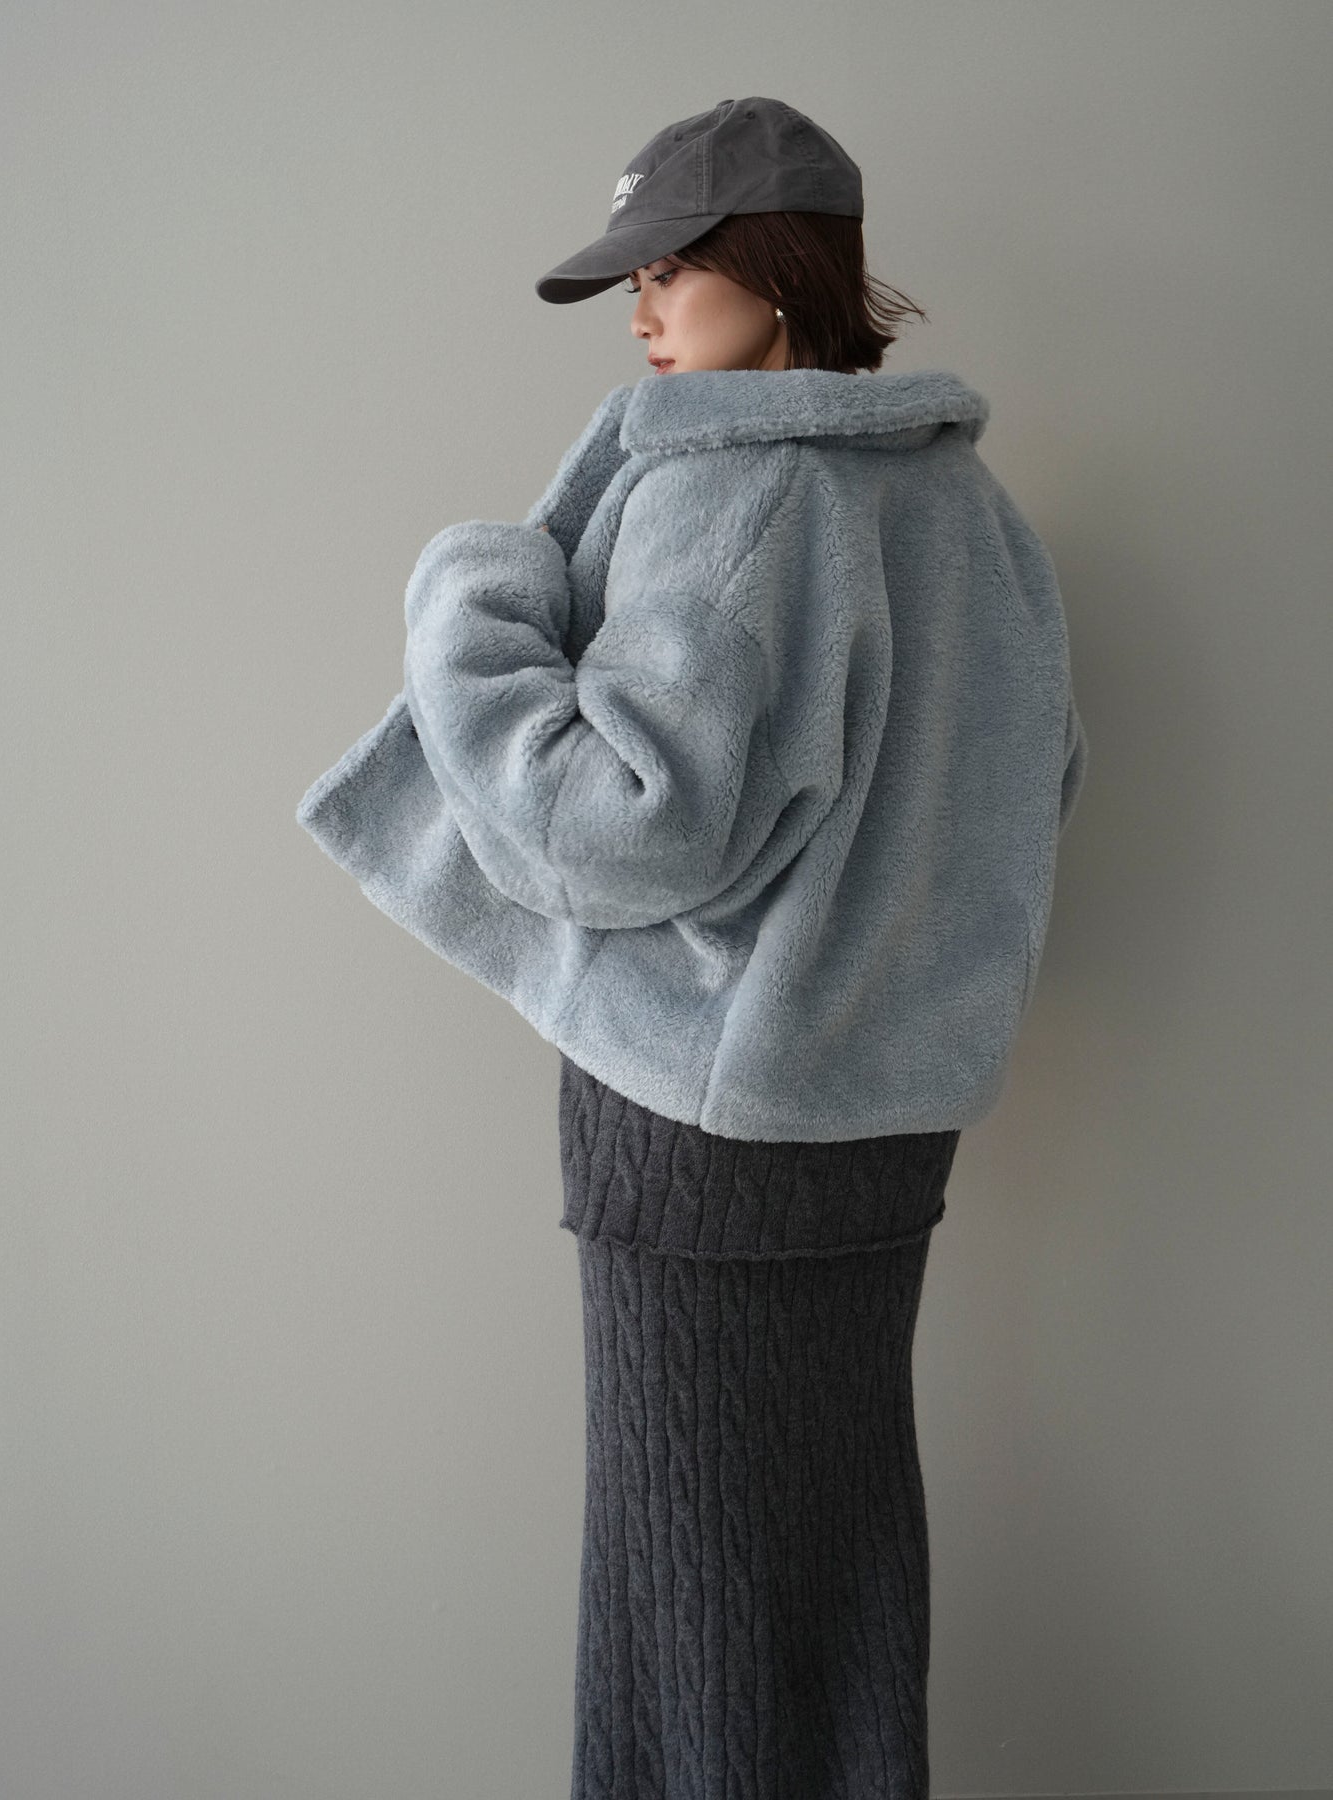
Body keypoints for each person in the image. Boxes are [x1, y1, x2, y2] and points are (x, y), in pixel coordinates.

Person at [297, 95, 1087, 1800]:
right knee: (837, 1572)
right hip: (885, 1123)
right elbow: (1036, 787)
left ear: (776, 273)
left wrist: (470, 596)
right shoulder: (970, 512)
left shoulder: (729, 488)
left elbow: (613, 832)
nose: (643, 316)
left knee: (690, 1602)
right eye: (635, 284)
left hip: (703, 1131)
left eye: (667, 272)